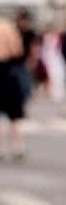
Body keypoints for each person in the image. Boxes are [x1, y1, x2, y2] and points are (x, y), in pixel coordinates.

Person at [0, 15, 26, 160]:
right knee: (14, 114)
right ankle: (17, 146)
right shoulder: (7, 26)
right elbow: (17, 50)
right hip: (7, 70)